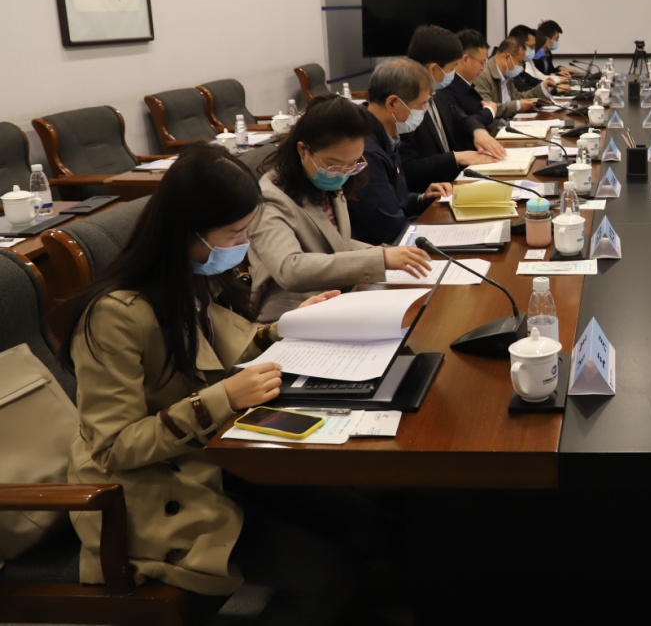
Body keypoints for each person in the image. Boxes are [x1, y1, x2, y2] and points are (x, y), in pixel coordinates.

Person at [62, 143, 375, 623]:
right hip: (148, 490)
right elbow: (115, 447)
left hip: (214, 458)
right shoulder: (115, 315)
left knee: (362, 525)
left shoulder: (194, 276)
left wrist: (289, 327)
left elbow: (219, 352)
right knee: (324, 575)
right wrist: (221, 399)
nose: (244, 243)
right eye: (234, 233)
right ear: (186, 231)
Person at [249, 94, 431, 322]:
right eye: (334, 164)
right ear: (303, 150)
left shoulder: (326, 179)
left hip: (339, 298)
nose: (343, 173)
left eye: (353, 164)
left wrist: (384, 253)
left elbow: (334, 240)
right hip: (291, 313)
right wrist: (379, 258)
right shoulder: (270, 196)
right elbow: (289, 268)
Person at [349, 58, 452, 245]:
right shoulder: (367, 151)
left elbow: (395, 200)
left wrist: (421, 199)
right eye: (421, 105)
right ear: (393, 103)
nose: (423, 111)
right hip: (381, 249)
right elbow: (389, 229)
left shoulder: (387, 134)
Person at [399, 25, 502, 189]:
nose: (453, 74)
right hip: (429, 193)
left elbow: (460, 118)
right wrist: (455, 157)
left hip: (454, 184)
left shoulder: (437, 92)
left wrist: (478, 131)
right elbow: (407, 168)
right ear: (433, 69)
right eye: (452, 68)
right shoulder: (403, 104)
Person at [473, 36, 548, 122]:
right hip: (494, 129)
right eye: (520, 62)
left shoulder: (506, 75)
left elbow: (518, 98)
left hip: (510, 124)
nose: (521, 67)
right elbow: (487, 109)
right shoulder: (483, 75)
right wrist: (517, 106)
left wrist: (542, 88)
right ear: (507, 57)